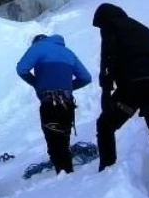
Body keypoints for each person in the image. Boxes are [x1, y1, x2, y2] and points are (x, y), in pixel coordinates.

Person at [91, 3, 149, 198]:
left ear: (105, 20)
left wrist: (106, 91)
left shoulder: (111, 27)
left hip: (133, 85)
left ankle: (107, 173)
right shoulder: (146, 31)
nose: (100, 30)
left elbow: (108, 59)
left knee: (105, 125)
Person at [16, 34, 92, 174]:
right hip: (67, 104)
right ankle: (68, 174)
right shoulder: (68, 52)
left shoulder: (38, 48)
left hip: (50, 103)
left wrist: (37, 83)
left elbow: (21, 69)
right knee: (63, 142)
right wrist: (67, 87)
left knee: (54, 144)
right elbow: (86, 77)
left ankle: (63, 179)